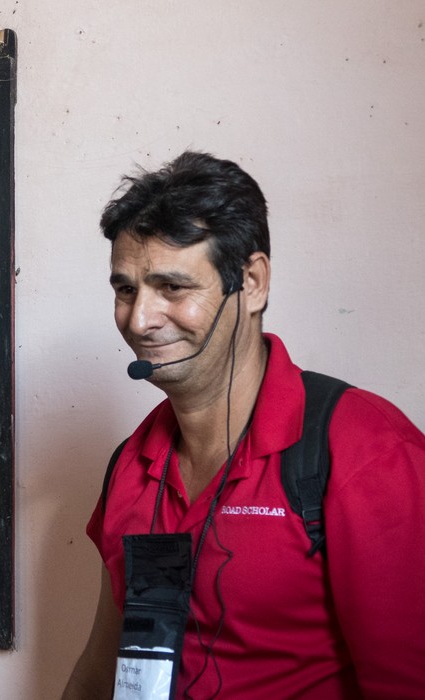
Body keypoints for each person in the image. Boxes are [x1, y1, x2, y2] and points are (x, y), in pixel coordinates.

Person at [62, 151, 425, 699]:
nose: (139, 320)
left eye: (173, 288)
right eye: (126, 289)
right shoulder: (131, 465)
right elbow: (101, 666)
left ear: (251, 283)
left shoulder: (365, 451)